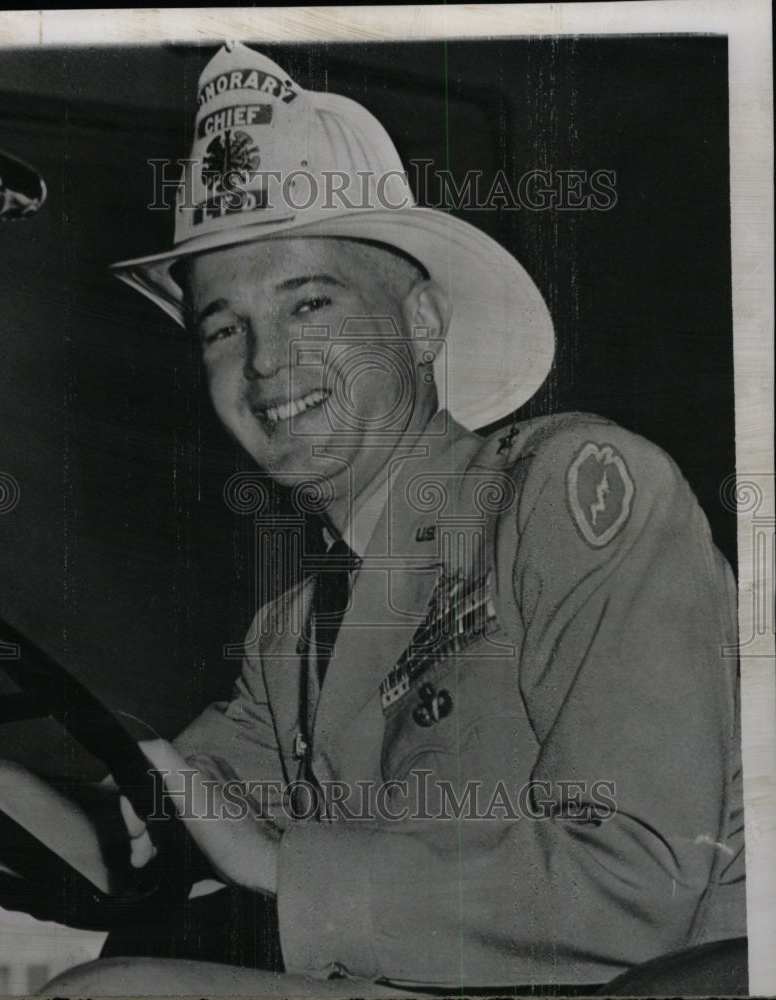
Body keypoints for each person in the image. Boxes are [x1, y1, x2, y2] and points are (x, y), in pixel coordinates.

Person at [47, 41, 744, 994]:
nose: (262, 361)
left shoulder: (570, 490)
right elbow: (140, 818)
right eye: (222, 328)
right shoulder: (291, 637)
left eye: (310, 302)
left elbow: (638, 885)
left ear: (420, 325)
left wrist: (277, 866)